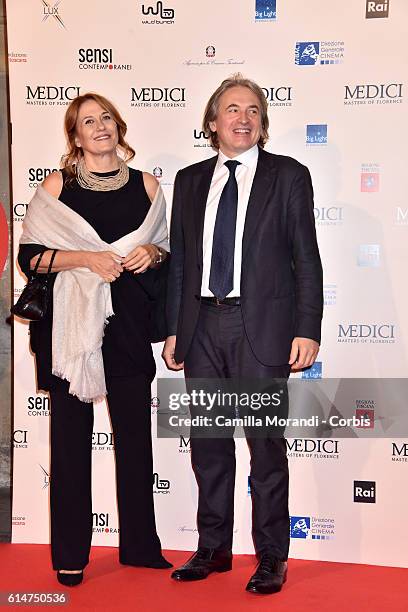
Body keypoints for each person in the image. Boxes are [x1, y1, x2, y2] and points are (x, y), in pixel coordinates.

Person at [163, 74, 323, 595]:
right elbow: (182, 264)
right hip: (203, 326)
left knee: (265, 447)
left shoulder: (289, 176)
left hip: (264, 329)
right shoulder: (189, 181)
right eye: (233, 109)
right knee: (209, 446)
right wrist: (174, 331)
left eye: (253, 110)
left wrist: (308, 328)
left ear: (263, 122)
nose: (244, 118)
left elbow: (307, 259)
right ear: (213, 123)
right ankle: (212, 548)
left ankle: (272, 555)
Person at [17, 92, 171, 586]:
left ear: (118, 126)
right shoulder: (57, 186)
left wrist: (151, 250)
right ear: (75, 136)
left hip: (127, 326)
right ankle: (70, 554)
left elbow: (167, 251)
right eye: (88, 121)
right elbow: (31, 257)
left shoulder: (147, 186)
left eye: (106, 117)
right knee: (68, 444)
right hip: (69, 333)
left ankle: (142, 547)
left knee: (134, 441)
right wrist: (85, 259)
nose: (99, 126)